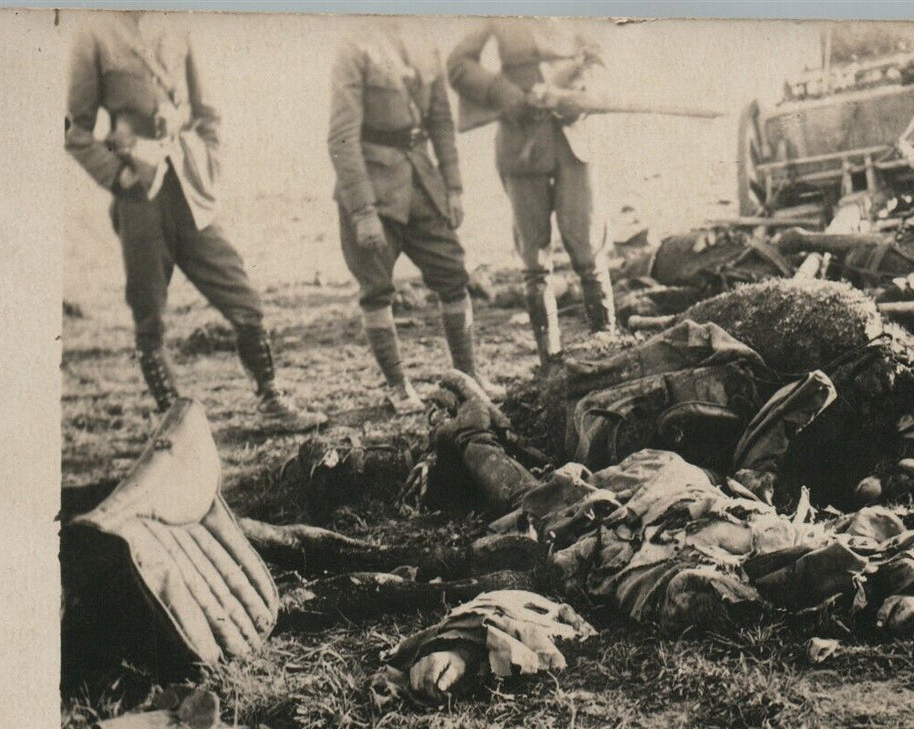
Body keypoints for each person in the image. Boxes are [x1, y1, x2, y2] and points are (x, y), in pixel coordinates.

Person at [65, 11, 327, 430]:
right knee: (148, 318)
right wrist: (118, 175)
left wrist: (208, 161)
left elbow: (207, 115)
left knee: (244, 299)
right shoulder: (95, 31)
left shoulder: (174, 23)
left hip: (187, 187)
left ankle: (271, 400)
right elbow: (75, 132)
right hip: (139, 198)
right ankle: (173, 423)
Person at [328, 20, 489, 414]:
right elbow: (342, 136)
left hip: (422, 182)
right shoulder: (355, 45)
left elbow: (441, 123)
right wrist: (363, 210)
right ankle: (399, 387)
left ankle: (468, 377)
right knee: (377, 289)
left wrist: (453, 187)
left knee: (453, 274)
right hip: (373, 187)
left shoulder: (423, 40)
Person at [447, 19, 617, 369]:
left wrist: (581, 93)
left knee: (588, 248)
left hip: (574, 140)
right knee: (535, 258)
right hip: (521, 139)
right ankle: (550, 361)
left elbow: (599, 57)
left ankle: (607, 344)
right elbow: (458, 64)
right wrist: (501, 91)